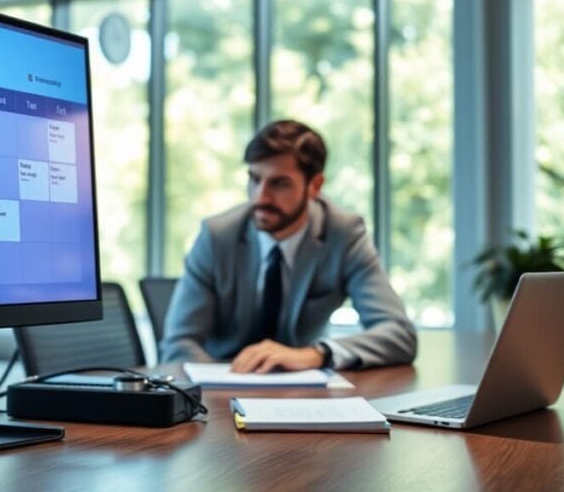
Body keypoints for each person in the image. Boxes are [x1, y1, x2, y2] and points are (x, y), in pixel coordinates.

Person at [160, 119, 417, 371]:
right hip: (223, 381)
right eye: (254, 179)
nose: (261, 197)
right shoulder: (216, 236)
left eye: (279, 183)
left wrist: (317, 354)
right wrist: (226, 385)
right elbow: (178, 343)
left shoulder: (343, 235)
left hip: (304, 385)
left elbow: (399, 334)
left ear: (315, 186)